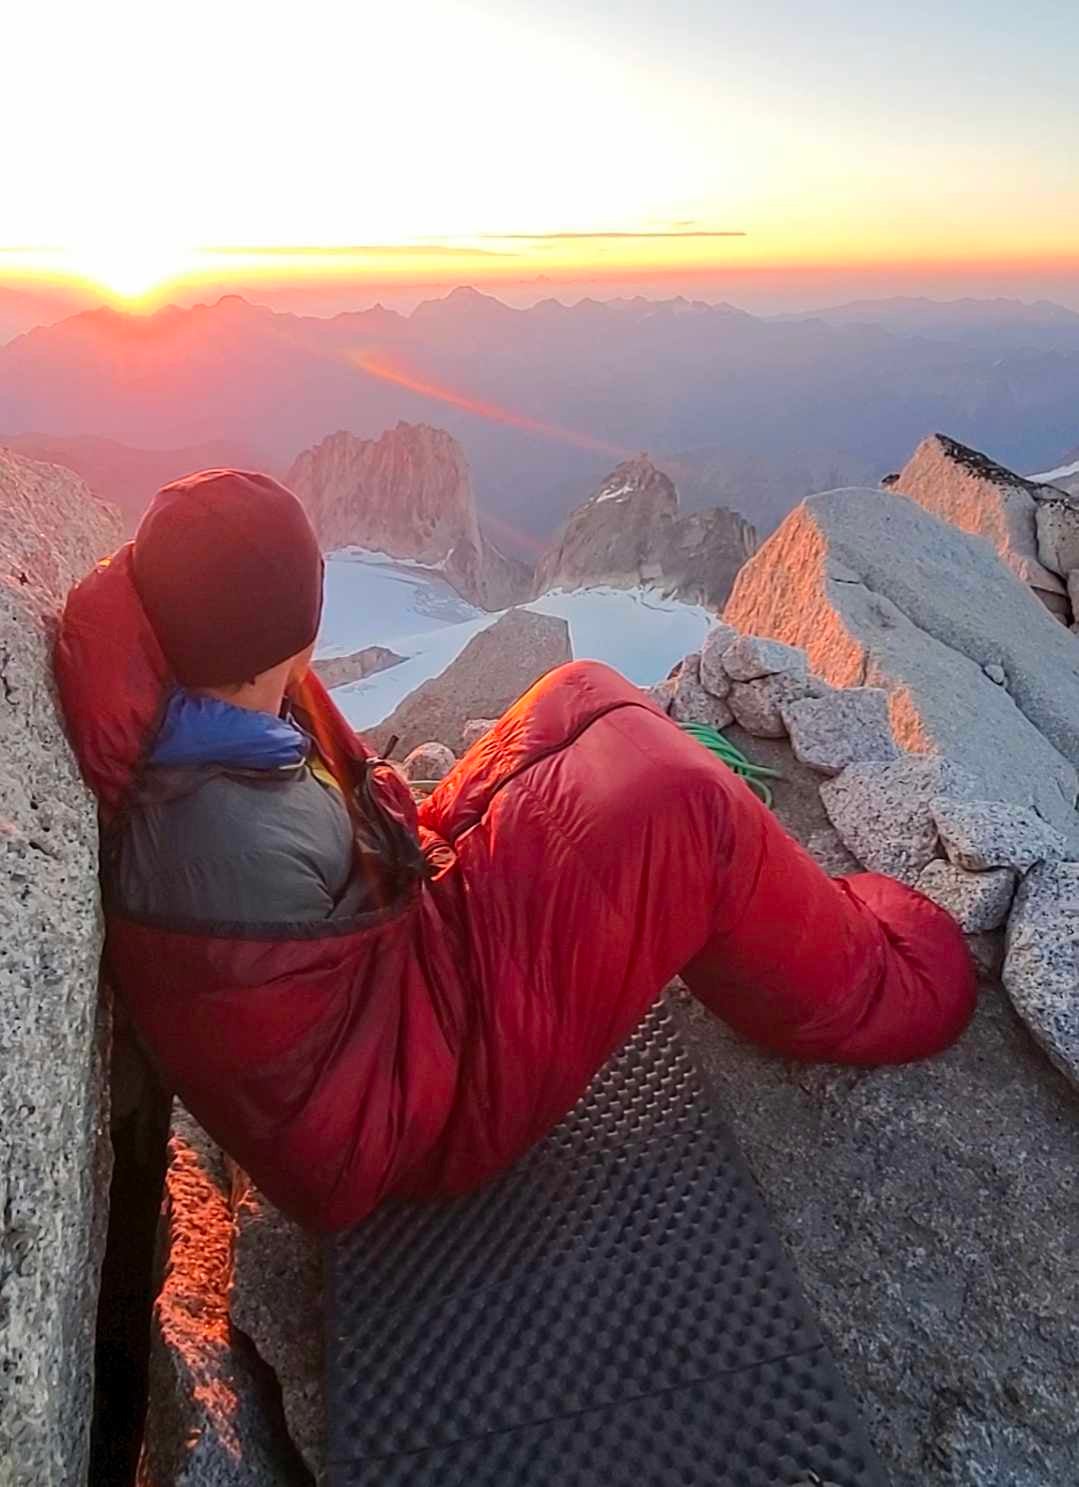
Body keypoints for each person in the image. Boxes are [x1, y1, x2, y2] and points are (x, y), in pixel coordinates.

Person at [56, 469, 977, 1232]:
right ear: (269, 651)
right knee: (681, 806)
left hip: (391, 963)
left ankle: (790, 897)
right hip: (410, 1109)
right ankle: (886, 985)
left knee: (578, 690)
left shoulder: (202, 707)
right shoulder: (218, 825)